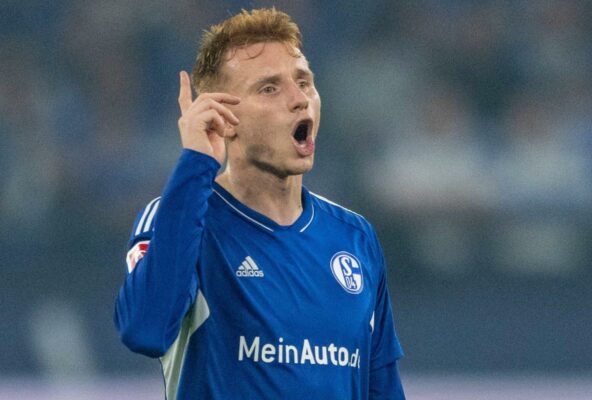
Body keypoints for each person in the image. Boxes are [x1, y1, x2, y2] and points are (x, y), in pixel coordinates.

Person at [114, 8, 405, 399]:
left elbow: (382, 388)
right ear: (222, 114)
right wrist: (197, 163)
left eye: (304, 81)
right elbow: (144, 330)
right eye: (269, 88)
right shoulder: (182, 219)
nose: (299, 99)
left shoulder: (354, 237)